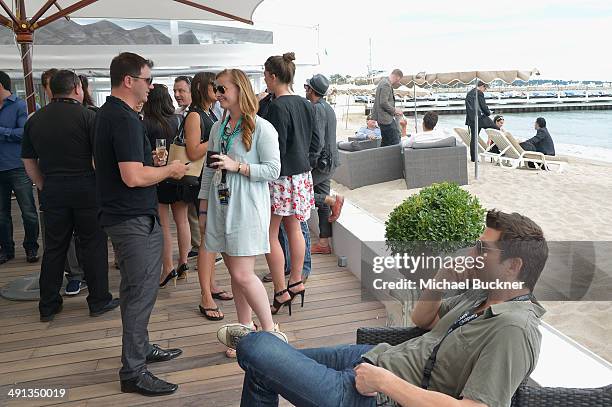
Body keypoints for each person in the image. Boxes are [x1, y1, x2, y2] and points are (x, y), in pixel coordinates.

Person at [232, 210, 548, 407]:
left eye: (483, 248)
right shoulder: (480, 295)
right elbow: (422, 319)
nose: (472, 251)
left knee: (256, 345)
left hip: (377, 395)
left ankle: (269, 340)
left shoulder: (514, 329)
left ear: (512, 266)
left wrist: (385, 383)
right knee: (261, 366)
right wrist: (444, 276)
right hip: (374, 358)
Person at [93, 52, 187, 396]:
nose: (152, 86)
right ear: (129, 80)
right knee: (140, 294)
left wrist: (152, 162)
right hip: (131, 218)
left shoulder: (108, 113)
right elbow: (132, 177)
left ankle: (140, 348)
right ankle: (133, 371)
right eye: (148, 79)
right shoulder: (125, 119)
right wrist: (169, 170)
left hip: (120, 215)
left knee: (134, 291)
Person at [21, 70, 119, 321]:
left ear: (51, 90)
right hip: (87, 189)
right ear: (77, 88)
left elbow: (28, 160)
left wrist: (43, 184)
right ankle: (98, 300)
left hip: (52, 191)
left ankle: (48, 305)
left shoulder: (35, 119)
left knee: (54, 248)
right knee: (93, 246)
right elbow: (100, 159)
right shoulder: (88, 117)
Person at [199, 68, 287, 346]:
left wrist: (238, 166)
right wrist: (203, 208)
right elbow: (209, 171)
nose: (217, 93)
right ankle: (245, 330)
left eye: (222, 88)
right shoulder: (217, 127)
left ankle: (271, 332)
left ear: (240, 90)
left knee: (242, 273)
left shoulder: (262, 127)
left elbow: (274, 170)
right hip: (220, 206)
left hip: (247, 207)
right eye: (216, 88)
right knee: (235, 275)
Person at [261, 53, 318, 316]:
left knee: (270, 234)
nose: (264, 79)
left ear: (273, 76)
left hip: (280, 177)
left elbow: (276, 148)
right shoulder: (307, 104)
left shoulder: (276, 107)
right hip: (302, 175)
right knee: (295, 228)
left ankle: (281, 290)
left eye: (265, 74)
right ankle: (297, 282)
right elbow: (315, 142)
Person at [142, 83, 189, 288]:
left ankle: (167, 267)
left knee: (163, 226)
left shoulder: (146, 123)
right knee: (183, 222)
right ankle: (184, 264)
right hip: (179, 174)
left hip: (159, 176)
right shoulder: (179, 119)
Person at [0, 70, 39, 265]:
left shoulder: (21, 106)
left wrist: (1, 131)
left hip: (17, 166)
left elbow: (25, 133)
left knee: (28, 211)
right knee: (1, 214)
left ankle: (31, 247)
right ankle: (6, 249)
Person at [304, 74, 344, 255]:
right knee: (321, 200)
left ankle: (334, 200)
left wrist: (309, 163)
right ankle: (323, 242)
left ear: (311, 90)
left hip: (322, 163)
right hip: (331, 160)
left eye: (306, 87)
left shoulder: (316, 108)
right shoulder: (327, 108)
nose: (305, 89)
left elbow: (318, 141)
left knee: (302, 193)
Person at [173, 75, 202, 259]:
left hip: (197, 172)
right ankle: (198, 246)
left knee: (198, 214)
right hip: (189, 172)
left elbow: (193, 150)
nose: (177, 94)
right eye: (175, 90)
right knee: (192, 213)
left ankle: (206, 251)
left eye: (181, 90)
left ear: (192, 91)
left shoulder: (196, 114)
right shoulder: (181, 113)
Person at [371, 69, 404, 146]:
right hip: (386, 119)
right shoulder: (386, 84)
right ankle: (394, 158)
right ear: (398, 77)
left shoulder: (383, 82)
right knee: (395, 141)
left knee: (386, 143)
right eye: (399, 80)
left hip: (381, 119)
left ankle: (382, 157)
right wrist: (395, 110)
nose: (398, 82)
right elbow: (383, 102)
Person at [465, 80, 495, 162]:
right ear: (482, 86)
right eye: (485, 89)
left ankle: (473, 158)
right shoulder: (479, 93)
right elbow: (483, 107)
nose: (485, 90)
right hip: (480, 118)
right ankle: (495, 151)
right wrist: (489, 113)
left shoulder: (470, 93)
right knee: (496, 129)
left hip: (471, 119)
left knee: (474, 138)